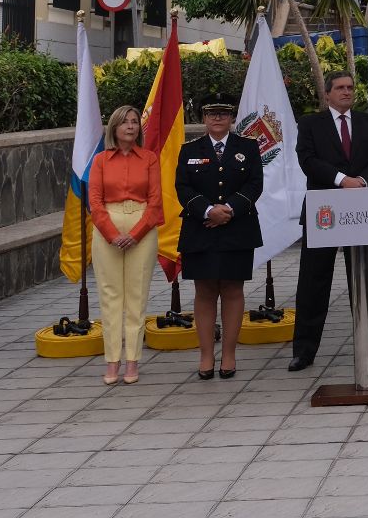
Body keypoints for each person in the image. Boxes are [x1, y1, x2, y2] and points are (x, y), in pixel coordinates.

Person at [288, 70, 368, 372]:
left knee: (364, 278)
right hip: (325, 210)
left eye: (350, 87)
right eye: (340, 88)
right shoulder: (310, 124)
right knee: (313, 281)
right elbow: (307, 160)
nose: (347, 92)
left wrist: (361, 179)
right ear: (327, 94)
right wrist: (340, 180)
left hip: (361, 212)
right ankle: (304, 350)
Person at [176, 101, 264, 379]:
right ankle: (205, 357)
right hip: (200, 228)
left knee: (232, 290)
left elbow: (255, 184)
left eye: (223, 114)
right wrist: (207, 210)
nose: (217, 118)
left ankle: (228, 354)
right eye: (211, 113)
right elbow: (182, 186)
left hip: (237, 228)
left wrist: (228, 211)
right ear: (204, 118)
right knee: (204, 292)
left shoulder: (247, 147)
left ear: (231, 118)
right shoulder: (189, 150)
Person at [88, 104, 164, 385]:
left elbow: (156, 201)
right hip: (107, 224)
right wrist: (111, 233)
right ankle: (112, 361)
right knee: (110, 297)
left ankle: (132, 360)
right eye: (125, 122)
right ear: (114, 128)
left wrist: (136, 233)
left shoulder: (149, 158)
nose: (131, 126)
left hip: (141, 226)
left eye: (135, 122)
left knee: (136, 296)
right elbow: (94, 202)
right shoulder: (100, 161)